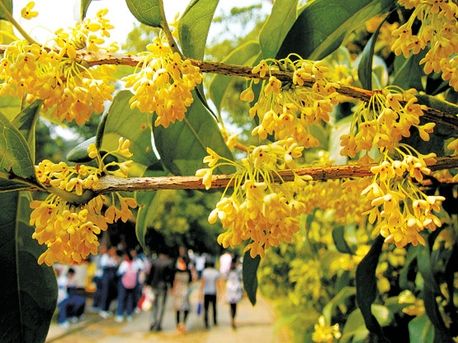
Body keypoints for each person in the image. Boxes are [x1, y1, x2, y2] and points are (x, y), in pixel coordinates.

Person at [146, 252, 173, 332]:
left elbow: (150, 275)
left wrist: (148, 284)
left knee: (154, 306)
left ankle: (153, 322)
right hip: (163, 287)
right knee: (161, 307)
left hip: (154, 286)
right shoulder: (168, 263)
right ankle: (158, 324)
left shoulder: (154, 262)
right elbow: (169, 277)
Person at [115, 250, 142, 322]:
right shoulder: (135, 263)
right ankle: (129, 314)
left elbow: (119, 273)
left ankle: (119, 314)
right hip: (132, 284)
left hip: (124, 284)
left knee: (121, 298)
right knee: (130, 299)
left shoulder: (124, 264)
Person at [173, 256, 192, 333]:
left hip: (185, 291)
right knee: (177, 308)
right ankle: (178, 325)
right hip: (178, 291)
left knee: (186, 308)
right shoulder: (176, 270)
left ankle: (183, 323)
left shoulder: (188, 271)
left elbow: (191, 281)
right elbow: (173, 281)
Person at [99, 247, 120, 318]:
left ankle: (107, 309)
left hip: (111, 278)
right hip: (106, 278)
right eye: (113, 250)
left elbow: (116, 265)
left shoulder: (112, 257)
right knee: (105, 293)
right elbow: (105, 265)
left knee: (109, 294)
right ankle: (103, 310)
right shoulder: (105, 256)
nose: (114, 252)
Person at [200, 259, 221, 329]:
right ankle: (215, 321)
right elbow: (217, 283)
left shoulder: (205, 272)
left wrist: (200, 291)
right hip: (213, 292)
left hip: (206, 292)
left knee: (206, 308)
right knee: (214, 308)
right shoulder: (215, 272)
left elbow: (203, 283)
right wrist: (220, 292)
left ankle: (206, 322)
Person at [226, 257, 243, 329]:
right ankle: (233, 319)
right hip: (236, 289)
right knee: (235, 306)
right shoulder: (238, 270)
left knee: (231, 306)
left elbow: (225, 278)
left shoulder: (229, 270)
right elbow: (241, 279)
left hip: (230, 289)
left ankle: (232, 318)